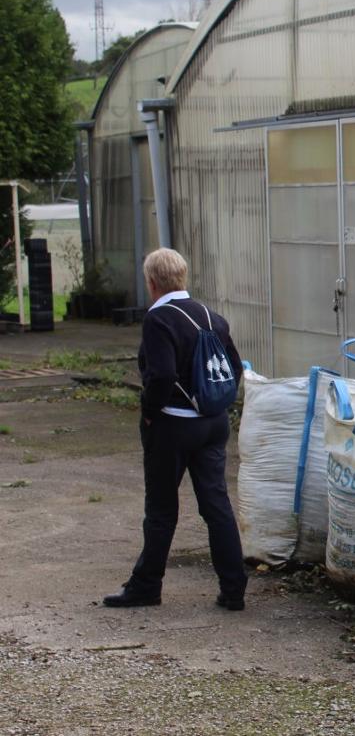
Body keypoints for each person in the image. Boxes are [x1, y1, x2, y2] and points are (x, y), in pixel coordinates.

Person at [103, 248, 248, 611]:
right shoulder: (212, 317)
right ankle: (234, 589)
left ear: (152, 282)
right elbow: (234, 367)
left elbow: (162, 374)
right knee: (216, 506)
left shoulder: (158, 320)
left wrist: (150, 413)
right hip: (213, 424)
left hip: (173, 425)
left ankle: (146, 586)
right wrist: (213, 404)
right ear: (182, 277)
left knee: (162, 508)